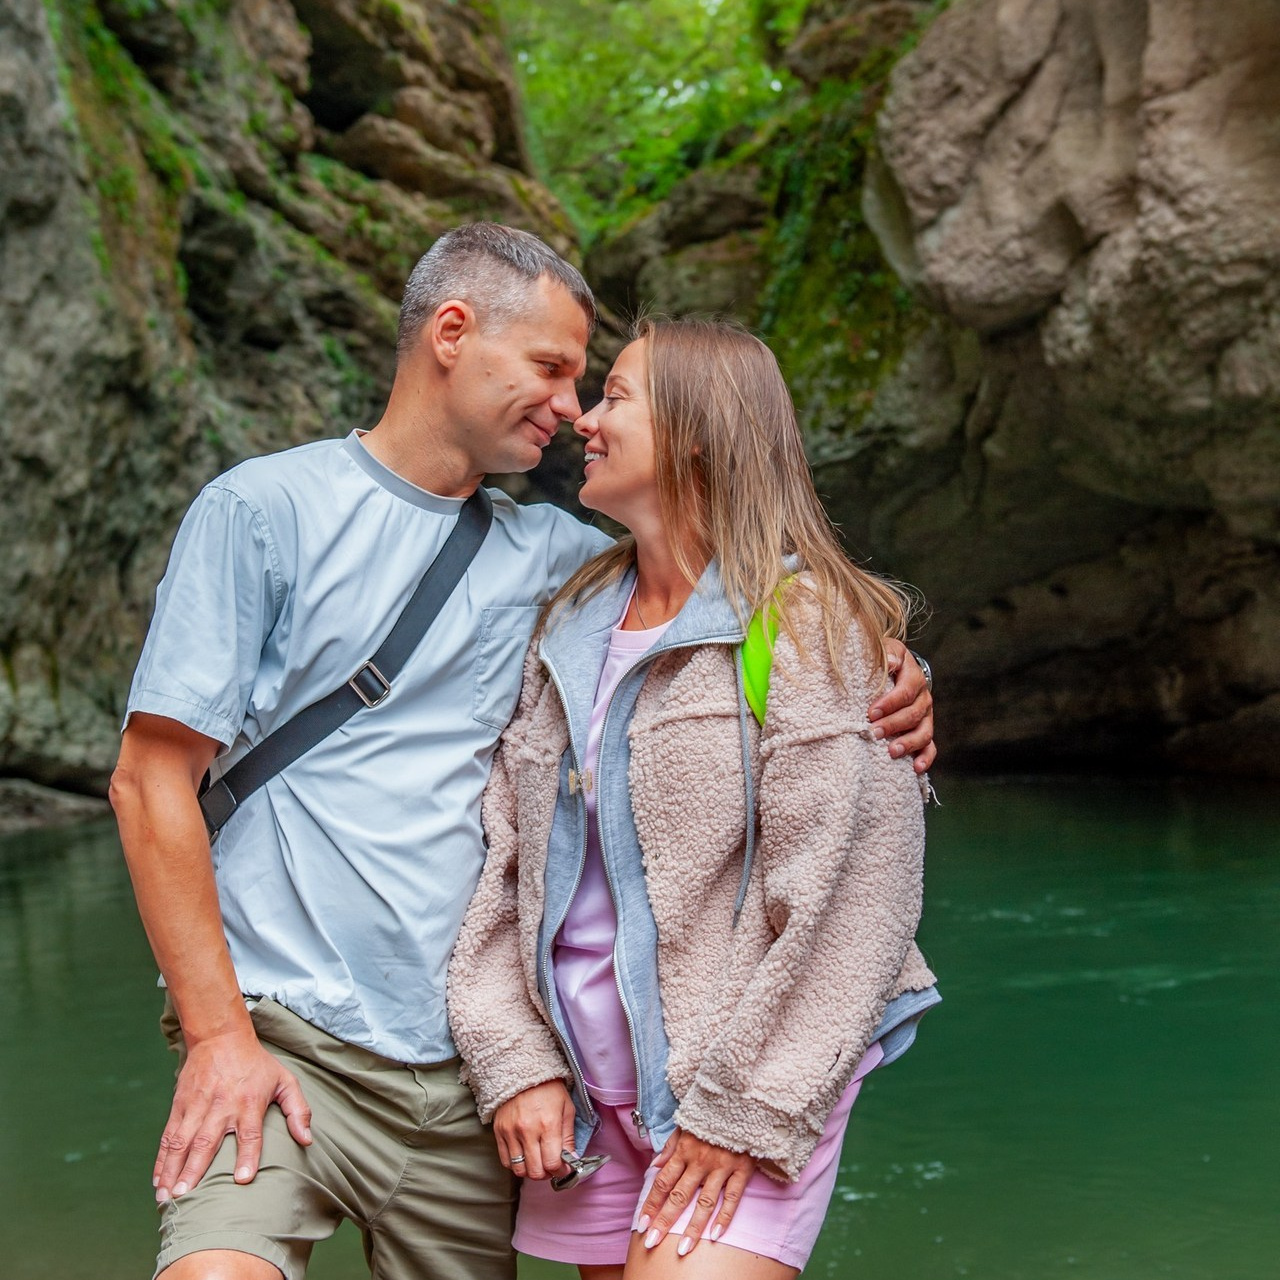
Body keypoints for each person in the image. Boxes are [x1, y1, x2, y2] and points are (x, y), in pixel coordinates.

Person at [111, 225, 937, 1280]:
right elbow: (149, 782)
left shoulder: (565, 563)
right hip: (295, 1039)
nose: (571, 409)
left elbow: (724, 598)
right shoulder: (267, 511)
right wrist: (221, 1034)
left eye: (594, 387)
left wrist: (892, 674)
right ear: (451, 332)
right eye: (551, 368)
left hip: (475, 1079)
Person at [447, 317, 940, 1280]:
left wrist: (743, 1109)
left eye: (616, 397)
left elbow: (855, 900)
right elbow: (507, 869)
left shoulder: (808, 628)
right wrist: (518, 1061)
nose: (585, 419)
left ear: (700, 432)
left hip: (738, 1080)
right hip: (588, 1095)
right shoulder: (569, 625)